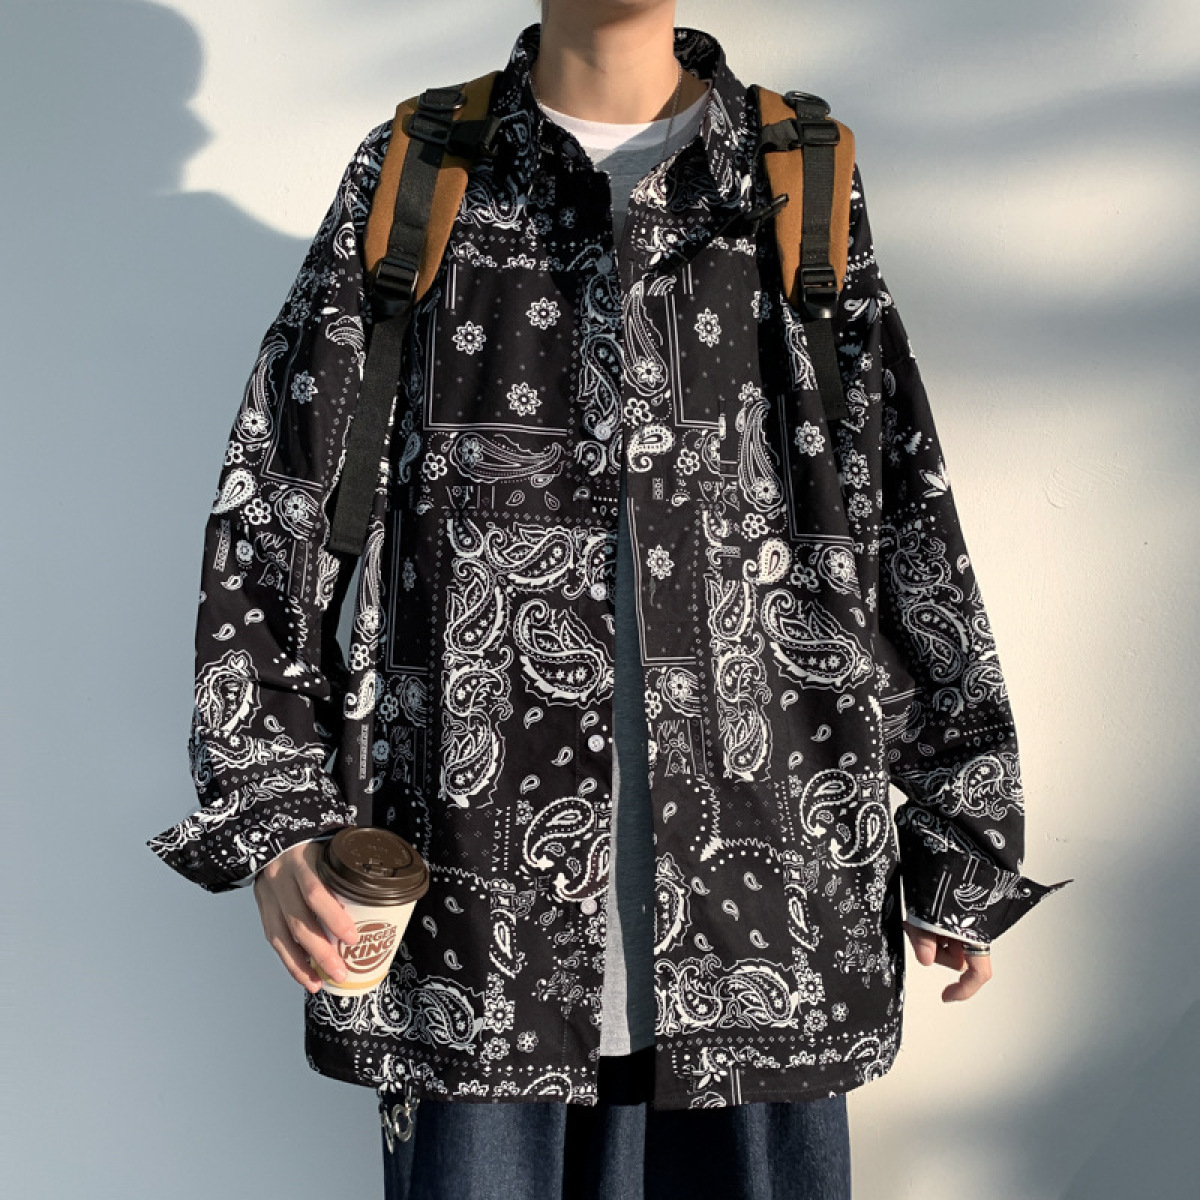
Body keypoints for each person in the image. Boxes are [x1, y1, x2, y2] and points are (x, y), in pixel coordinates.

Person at [146, 2, 1073, 1197]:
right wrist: (273, 809)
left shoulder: (794, 176)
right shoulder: (421, 173)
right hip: (473, 937)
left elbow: (895, 508)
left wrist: (962, 819)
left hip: (768, 924)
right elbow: (276, 505)